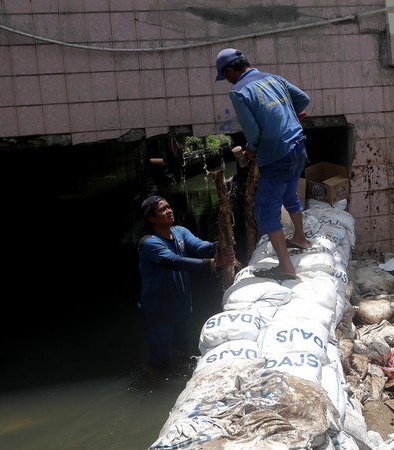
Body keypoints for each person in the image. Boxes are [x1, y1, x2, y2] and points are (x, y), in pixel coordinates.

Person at [214, 48, 312, 281]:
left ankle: (286, 267)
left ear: (230, 70)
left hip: (278, 153)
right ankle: (300, 237)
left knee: (265, 208)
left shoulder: (238, 91)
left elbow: (252, 131)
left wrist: (251, 149)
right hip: (298, 145)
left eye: (225, 76)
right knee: (289, 193)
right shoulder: (273, 78)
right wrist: (288, 116)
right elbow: (303, 99)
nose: (226, 80)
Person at [137, 195, 237, 376]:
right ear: (151, 218)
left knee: (183, 353)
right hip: (159, 313)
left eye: (168, 206)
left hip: (182, 308)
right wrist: (215, 262)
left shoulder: (180, 232)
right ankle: (150, 388)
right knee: (159, 362)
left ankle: (177, 379)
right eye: (162, 209)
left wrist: (219, 244)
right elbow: (173, 261)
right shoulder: (149, 242)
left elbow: (199, 247)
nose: (169, 211)